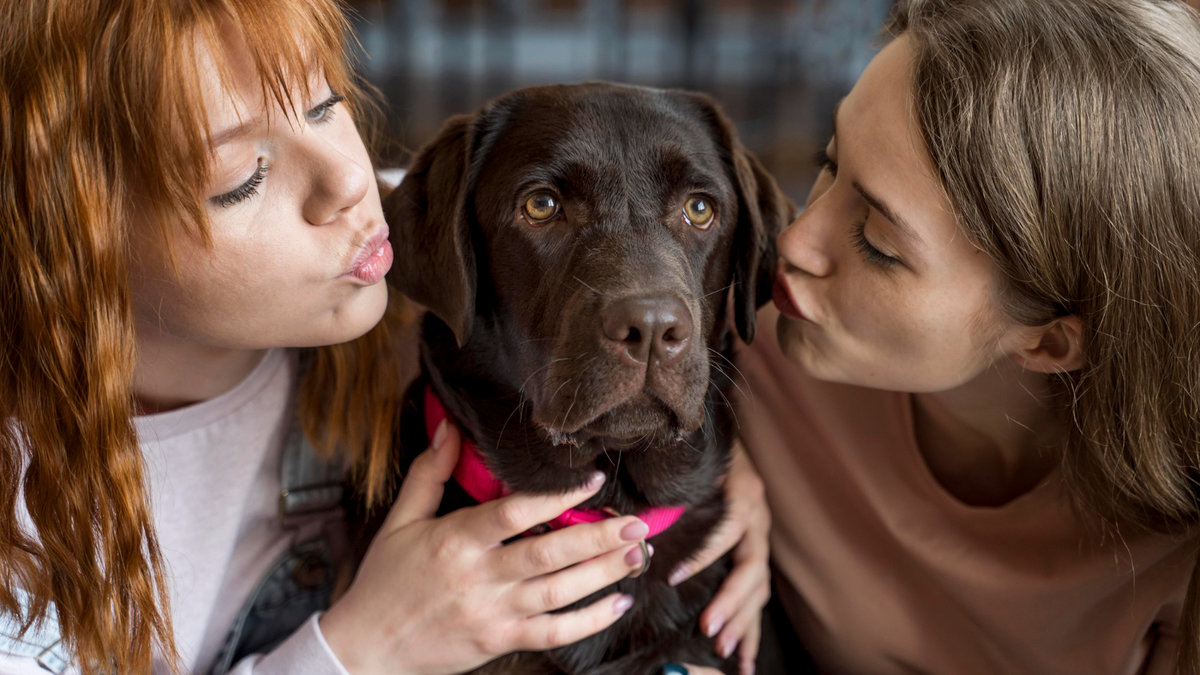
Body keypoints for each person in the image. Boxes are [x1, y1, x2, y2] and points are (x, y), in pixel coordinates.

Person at [0, 1, 769, 673]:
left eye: (323, 106)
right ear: (78, 244)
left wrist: (703, 474)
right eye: (243, 176)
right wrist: (361, 648)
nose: (350, 180)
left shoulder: (379, 257)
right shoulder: (19, 549)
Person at [735, 0, 1200, 673]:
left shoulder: (1176, 548)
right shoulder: (751, 359)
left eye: (878, 243)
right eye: (828, 163)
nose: (794, 240)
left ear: (1048, 342)